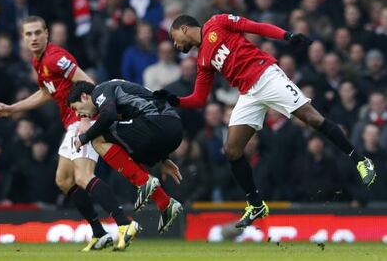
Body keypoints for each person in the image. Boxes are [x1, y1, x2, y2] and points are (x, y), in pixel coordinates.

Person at [155, 13, 377, 229]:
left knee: (312, 118)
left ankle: (360, 160)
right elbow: (199, 99)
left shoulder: (217, 22)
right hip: (248, 94)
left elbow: (255, 27)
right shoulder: (202, 60)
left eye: (174, 37)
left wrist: (286, 35)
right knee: (232, 150)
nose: (175, 44)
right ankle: (256, 204)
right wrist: (174, 100)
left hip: (266, 75)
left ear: (184, 28)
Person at [0, 16, 138, 251]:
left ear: (47, 33)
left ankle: (124, 224)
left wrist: (87, 119)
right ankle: (99, 233)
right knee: (64, 181)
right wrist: (13, 108)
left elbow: (87, 83)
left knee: (82, 177)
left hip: (83, 119)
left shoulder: (56, 58)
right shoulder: (40, 62)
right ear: (23, 38)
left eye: (38, 32)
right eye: (29, 34)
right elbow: (45, 93)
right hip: (72, 122)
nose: (34, 38)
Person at [67, 79, 183, 234]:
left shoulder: (99, 91)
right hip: (171, 130)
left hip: (157, 123)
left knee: (98, 138)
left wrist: (84, 137)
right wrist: (163, 157)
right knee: (122, 151)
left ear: (84, 97)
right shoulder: (118, 95)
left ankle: (143, 182)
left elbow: (109, 115)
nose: (78, 114)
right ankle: (164, 202)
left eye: (75, 108)